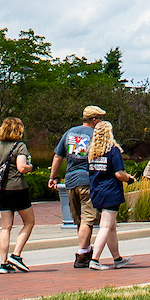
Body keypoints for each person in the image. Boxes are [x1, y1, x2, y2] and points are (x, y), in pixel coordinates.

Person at [49, 104, 106, 268]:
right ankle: (81, 255)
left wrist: (53, 177)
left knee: (80, 221)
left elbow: (58, 156)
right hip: (88, 181)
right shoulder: (96, 134)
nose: (101, 122)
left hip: (70, 181)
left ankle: (86, 250)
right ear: (94, 120)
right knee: (88, 220)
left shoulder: (69, 133)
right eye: (100, 119)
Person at [86, 120, 134, 268]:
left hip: (97, 192)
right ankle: (94, 260)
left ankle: (117, 258)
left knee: (111, 227)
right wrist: (129, 179)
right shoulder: (114, 151)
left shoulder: (92, 153)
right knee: (105, 226)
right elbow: (119, 173)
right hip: (111, 192)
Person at [0, 116, 36, 273]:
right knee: (29, 221)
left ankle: (3, 263)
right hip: (17, 188)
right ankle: (16, 255)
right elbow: (21, 167)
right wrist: (30, 167)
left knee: (6, 227)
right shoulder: (20, 146)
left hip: (2, 191)